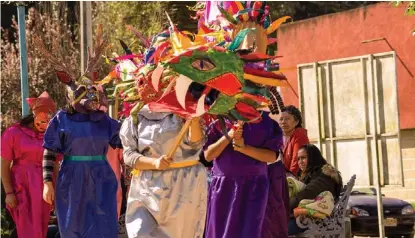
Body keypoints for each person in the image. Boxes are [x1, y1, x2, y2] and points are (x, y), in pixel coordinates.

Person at [120, 106, 207, 238]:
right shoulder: (136, 116)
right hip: (147, 187)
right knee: (141, 232)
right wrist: (154, 163)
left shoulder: (184, 110)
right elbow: (129, 154)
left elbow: (196, 144)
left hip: (182, 186)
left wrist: (193, 119)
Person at [203, 112, 282, 238]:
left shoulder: (266, 123)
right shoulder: (218, 122)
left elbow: (272, 156)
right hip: (223, 187)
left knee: (250, 231)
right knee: (220, 232)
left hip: (254, 187)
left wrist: (243, 148)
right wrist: (229, 135)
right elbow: (208, 155)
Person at [1, 92, 57, 238]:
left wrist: (55, 191)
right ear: (34, 113)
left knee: (40, 230)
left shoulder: (51, 135)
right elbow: (4, 164)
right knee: (27, 229)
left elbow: (55, 164)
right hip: (22, 187)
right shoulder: (13, 133)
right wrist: (9, 192)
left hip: (44, 187)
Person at [288, 144, 343, 235]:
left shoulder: (324, 176)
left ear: (313, 158)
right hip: (306, 217)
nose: (300, 162)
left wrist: (283, 208)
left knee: (273, 228)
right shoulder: (309, 174)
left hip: (315, 220)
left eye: (303, 158)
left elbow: (304, 195)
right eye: (298, 159)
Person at [278, 105, 310, 175]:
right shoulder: (277, 137)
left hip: (297, 180)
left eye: (287, 119)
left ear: (296, 122)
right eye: (281, 119)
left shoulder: (299, 135)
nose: (283, 122)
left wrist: (289, 180)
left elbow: (296, 163)